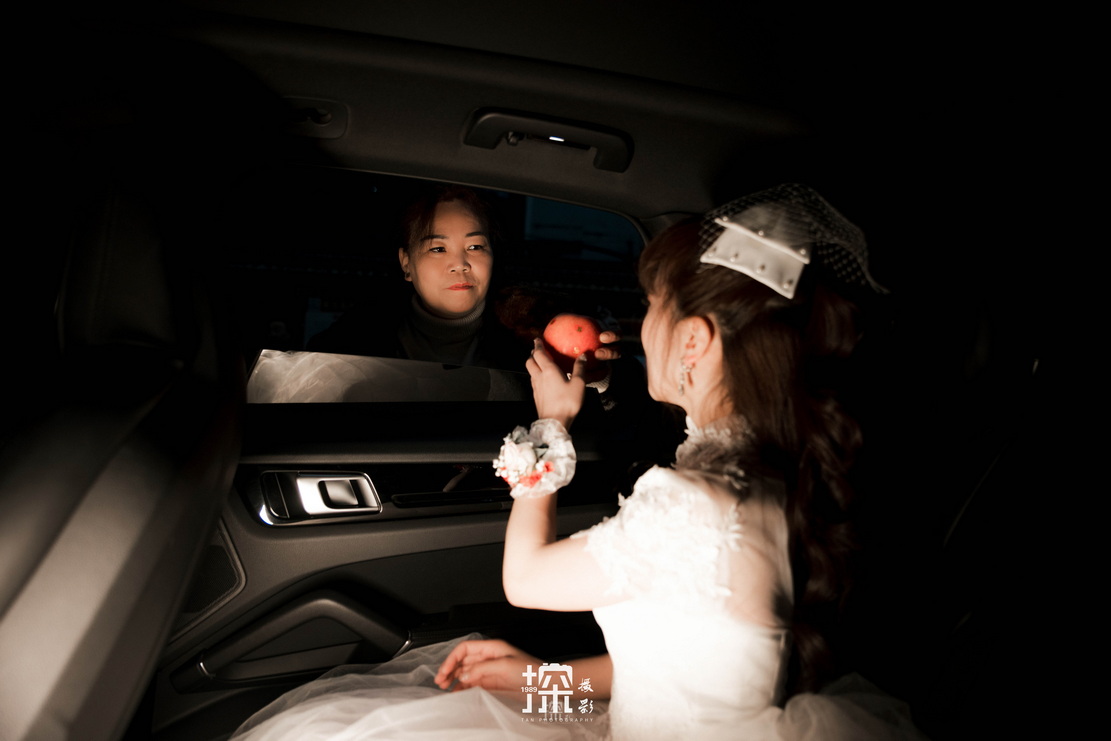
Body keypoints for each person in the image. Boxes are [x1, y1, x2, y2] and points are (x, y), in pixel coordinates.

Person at [231, 184, 926, 740]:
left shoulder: (692, 501)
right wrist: (535, 680)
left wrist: (550, 425)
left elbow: (525, 578)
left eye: (651, 305)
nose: (638, 325)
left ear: (692, 341)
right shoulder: (763, 476)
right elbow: (655, 671)